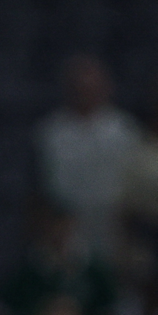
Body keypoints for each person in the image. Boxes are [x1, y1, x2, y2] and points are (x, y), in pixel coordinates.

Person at [36, 54, 141, 260]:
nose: (85, 92)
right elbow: (42, 187)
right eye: (79, 87)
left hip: (113, 226)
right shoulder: (51, 131)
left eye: (91, 87)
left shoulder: (124, 130)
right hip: (64, 227)